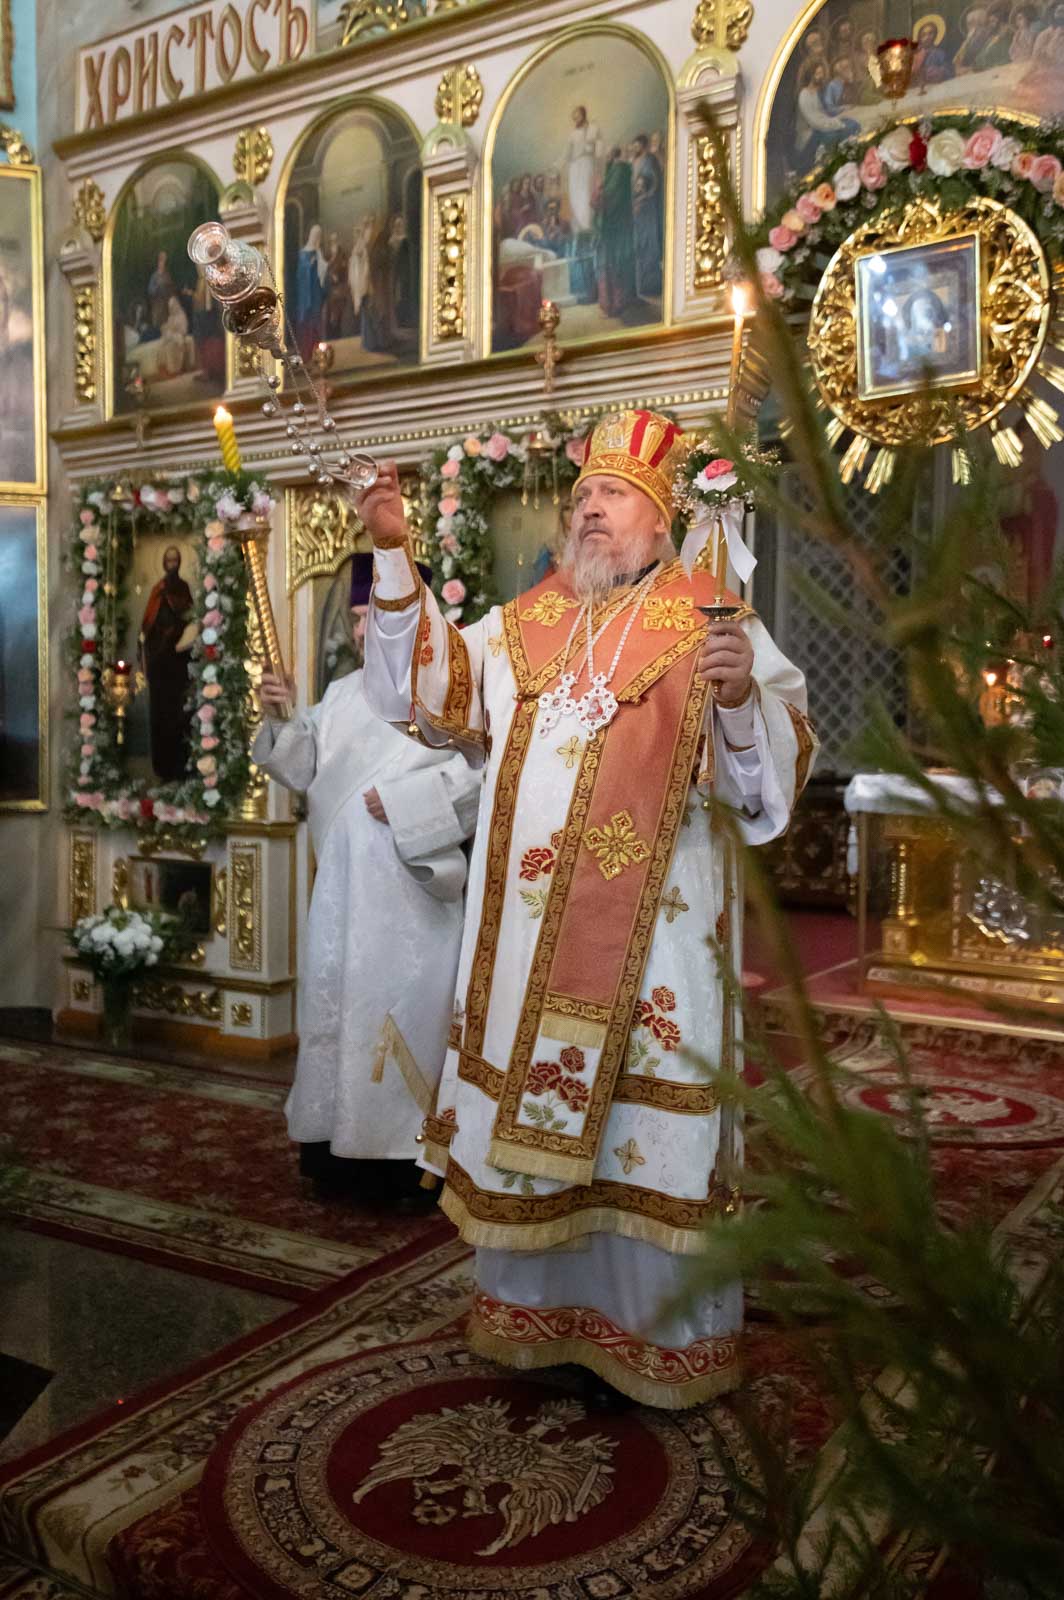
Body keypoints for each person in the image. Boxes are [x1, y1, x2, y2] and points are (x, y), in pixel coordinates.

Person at [358, 410, 816, 1408]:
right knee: (534, 1123)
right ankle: (535, 1315)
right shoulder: (525, 622)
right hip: (527, 950)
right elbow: (423, 696)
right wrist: (393, 557)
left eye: (612, 494)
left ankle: (654, 1341)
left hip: (653, 950)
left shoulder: (711, 619)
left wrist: (740, 700)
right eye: (582, 498)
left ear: (659, 517)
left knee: (633, 1132)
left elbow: (764, 789)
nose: (590, 510)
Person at [253, 554, 481, 1204]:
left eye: (373, 616)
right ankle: (334, 1155)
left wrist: (408, 803)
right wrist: (283, 717)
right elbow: (302, 769)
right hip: (341, 895)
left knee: (406, 1015)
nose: (361, 630)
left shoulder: (447, 693)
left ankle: (408, 1167)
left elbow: (481, 777)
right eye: (356, 618)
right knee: (338, 1013)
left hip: (411, 894)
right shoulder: (343, 693)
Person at [139, 546, 195, 782]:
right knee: (160, 715)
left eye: (175, 560)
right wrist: (148, 642)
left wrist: (176, 631)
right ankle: (161, 766)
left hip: (178, 664)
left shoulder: (183, 588)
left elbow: (190, 618)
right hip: (159, 664)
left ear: (179, 562)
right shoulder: (157, 589)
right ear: (163, 563)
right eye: (168, 560)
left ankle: (181, 766)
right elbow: (147, 625)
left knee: (179, 714)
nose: (172, 564)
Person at [594, 146, 638, 317]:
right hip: (617, 226)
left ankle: (614, 305)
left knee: (613, 264)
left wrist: (599, 195)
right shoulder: (618, 171)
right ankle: (618, 303)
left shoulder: (618, 171)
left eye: (608, 156)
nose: (606, 159)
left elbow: (610, 197)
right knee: (617, 263)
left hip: (614, 227)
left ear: (613, 156)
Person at [796, 59, 860, 161]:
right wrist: (837, 123)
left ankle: (849, 154)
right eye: (818, 74)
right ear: (810, 76)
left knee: (853, 124)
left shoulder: (816, 92)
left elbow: (824, 113)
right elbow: (815, 121)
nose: (821, 76)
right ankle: (837, 159)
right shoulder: (804, 95)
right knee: (834, 134)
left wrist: (841, 112)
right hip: (810, 135)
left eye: (822, 73)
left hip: (822, 125)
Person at [631, 133, 664, 299]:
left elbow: (655, 181)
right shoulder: (635, 161)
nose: (635, 148)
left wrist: (646, 195)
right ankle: (641, 286)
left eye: (637, 145)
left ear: (643, 145)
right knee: (640, 245)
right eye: (634, 146)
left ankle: (652, 286)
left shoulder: (649, 160)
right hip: (638, 206)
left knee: (649, 244)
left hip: (648, 207)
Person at [295, 224, 329, 362]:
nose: (317, 238)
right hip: (306, 294)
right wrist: (310, 265)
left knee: (316, 323)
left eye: (319, 236)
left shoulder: (318, 252)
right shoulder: (303, 253)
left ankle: (317, 353)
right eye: (315, 235)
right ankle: (306, 354)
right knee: (306, 323)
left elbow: (323, 270)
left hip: (316, 293)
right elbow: (300, 273)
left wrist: (323, 266)